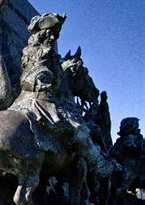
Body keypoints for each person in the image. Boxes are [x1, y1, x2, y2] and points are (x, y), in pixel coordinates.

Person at [10, 13, 114, 177]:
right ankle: (100, 165)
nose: (52, 38)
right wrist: (41, 80)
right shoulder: (41, 52)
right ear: (41, 35)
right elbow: (32, 73)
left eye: (55, 35)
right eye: (49, 34)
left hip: (26, 98)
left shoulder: (39, 52)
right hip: (40, 100)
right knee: (79, 129)